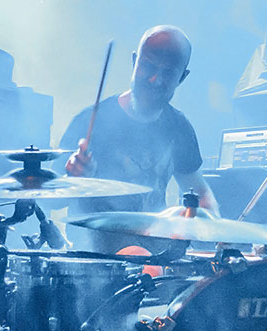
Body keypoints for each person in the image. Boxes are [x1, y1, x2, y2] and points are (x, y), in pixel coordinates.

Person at [56, 25, 219, 253]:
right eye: (148, 66)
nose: (155, 79)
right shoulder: (89, 122)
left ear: (182, 77)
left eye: (168, 73)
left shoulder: (179, 127)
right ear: (135, 62)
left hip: (155, 253)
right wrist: (73, 179)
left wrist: (216, 229)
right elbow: (49, 200)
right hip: (94, 258)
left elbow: (200, 194)